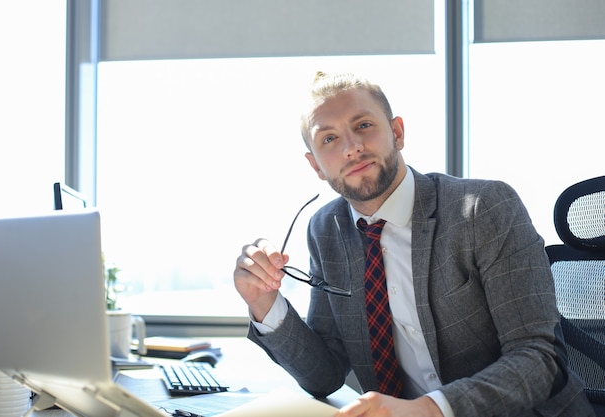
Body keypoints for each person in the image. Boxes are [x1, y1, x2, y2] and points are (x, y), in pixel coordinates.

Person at [233, 72, 594, 417]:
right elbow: (324, 375)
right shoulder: (326, 229)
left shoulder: (482, 207)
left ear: (397, 132)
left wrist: (430, 409)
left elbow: (539, 359)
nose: (352, 147)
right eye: (329, 138)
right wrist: (264, 302)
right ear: (315, 166)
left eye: (363, 126)